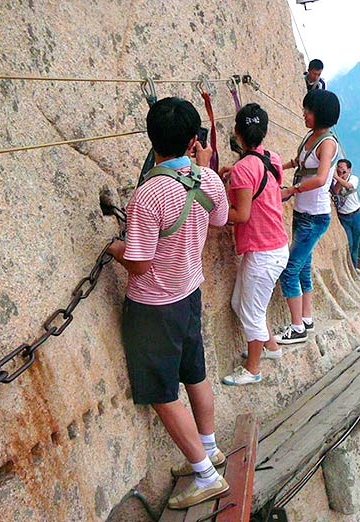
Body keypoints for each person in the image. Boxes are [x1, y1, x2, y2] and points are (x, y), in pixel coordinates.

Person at [108, 97, 230, 510]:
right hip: (189, 293)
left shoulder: (148, 195)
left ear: (151, 138)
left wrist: (113, 248)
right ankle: (209, 448)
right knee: (195, 372)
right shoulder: (208, 180)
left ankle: (205, 474)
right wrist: (204, 166)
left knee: (162, 393)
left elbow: (139, 265)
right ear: (194, 139)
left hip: (154, 306)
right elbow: (219, 220)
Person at [219, 104, 289, 386]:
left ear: (237, 132)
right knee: (240, 303)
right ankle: (271, 347)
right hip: (273, 246)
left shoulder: (243, 169)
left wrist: (214, 212)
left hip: (263, 252)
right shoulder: (273, 158)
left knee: (252, 313)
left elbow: (241, 215)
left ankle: (252, 368)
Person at [277, 90, 340, 344]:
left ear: (320, 113)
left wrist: (292, 190)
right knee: (302, 267)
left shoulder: (327, 143)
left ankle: (297, 328)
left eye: (308, 111)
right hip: (304, 213)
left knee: (290, 271)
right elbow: (300, 162)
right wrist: (278, 166)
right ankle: (306, 318)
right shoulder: (311, 137)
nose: (304, 114)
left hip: (314, 216)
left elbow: (322, 177)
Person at [332, 159, 360, 267]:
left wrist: (337, 177)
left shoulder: (354, 178)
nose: (340, 169)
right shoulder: (335, 181)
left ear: (349, 169)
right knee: (349, 244)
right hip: (343, 217)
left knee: (355, 245)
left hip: (356, 215)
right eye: (338, 167)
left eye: (343, 168)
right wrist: (338, 179)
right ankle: (348, 266)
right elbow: (336, 191)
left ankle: (354, 268)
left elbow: (349, 186)